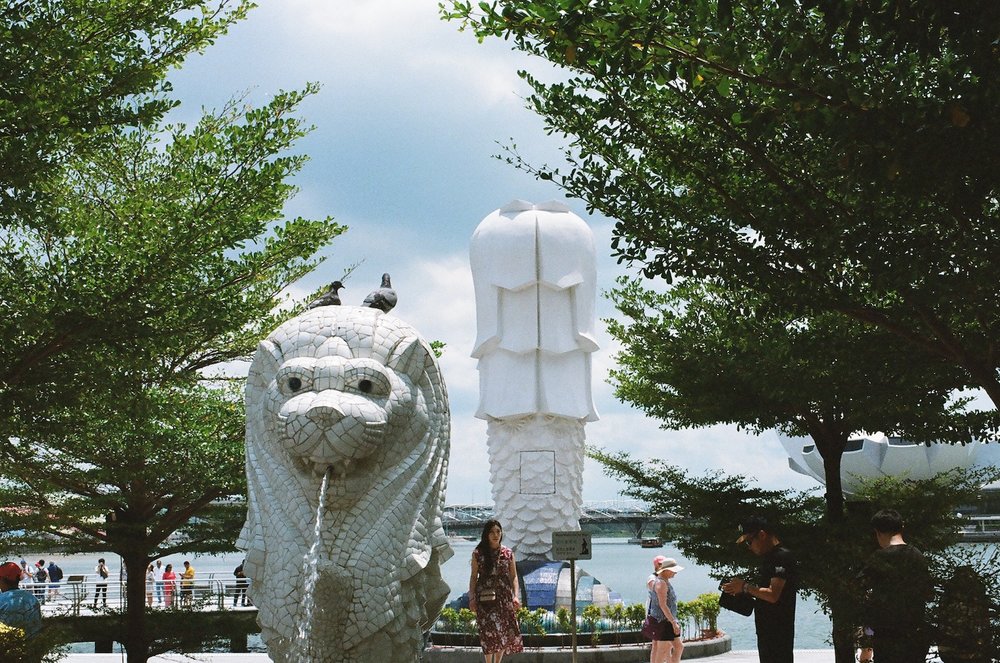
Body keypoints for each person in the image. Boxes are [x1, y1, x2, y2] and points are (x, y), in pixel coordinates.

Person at [857, 509, 932, 663]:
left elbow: (860, 593)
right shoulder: (917, 555)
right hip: (915, 634)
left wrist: (867, 643)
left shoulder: (879, 558)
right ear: (901, 528)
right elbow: (928, 593)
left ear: (877, 532)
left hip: (887, 637)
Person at [722, 515, 798, 663]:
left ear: (762, 535)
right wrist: (741, 591)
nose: (749, 547)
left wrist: (744, 586)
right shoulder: (769, 559)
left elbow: (773, 595)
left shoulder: (781, 557)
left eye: (749, 541)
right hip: (767, 630)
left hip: (778, 631)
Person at [468, 519, 523, 663]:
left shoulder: (508, 553)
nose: (495, 535)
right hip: (484, 599)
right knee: (487, 633)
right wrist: (472, 598)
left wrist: (515, 596)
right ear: (486, 534)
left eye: (498, 531)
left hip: (504, 598)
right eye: (492, 532)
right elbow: (474, 577)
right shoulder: (478, 554)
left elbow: (514, 576)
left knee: (502, 632)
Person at [646, 556, 684, 663]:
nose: (675, 573)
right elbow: (663, 605)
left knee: (678, 647)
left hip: (667, 620)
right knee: (662, 650)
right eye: (673, 571)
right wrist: (673, 622)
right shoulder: (661, 583)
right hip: (663, 622)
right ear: (666, 570)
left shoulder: (664, 581)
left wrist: (673, 621)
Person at [0, 560, 42, 640]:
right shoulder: (33, 599)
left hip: (7, 648)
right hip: (33, 647)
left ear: (2, 579)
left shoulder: (1, 600)